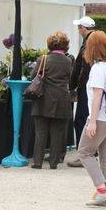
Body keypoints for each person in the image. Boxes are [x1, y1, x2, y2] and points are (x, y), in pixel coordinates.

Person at [77, 31, 106, 206]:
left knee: (84, 152)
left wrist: (92, 121)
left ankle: (102, 190)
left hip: (102, 117)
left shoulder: (97, 68)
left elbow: (97, 96)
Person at [30, 31, 74, 170]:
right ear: (65, 45)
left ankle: (37, 162)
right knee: (57, 132)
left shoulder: (43, 59)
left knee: (40, 132)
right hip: (62, 99)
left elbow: (33, 76)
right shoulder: (68, 61)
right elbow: (71, 80)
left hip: (43, 98)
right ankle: (54, 162)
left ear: (49, 44)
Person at [67, 16, 96, 167]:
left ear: (83, 28)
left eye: (79, 27)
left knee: (81, 120)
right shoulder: (98, 41)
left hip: (87, 88)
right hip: (96, 87)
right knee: (93, 119)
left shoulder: (88, 45)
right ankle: (92, 152)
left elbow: (82, 68)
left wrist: (74, 85)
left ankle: (83, 154)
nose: (78, 30)